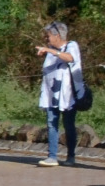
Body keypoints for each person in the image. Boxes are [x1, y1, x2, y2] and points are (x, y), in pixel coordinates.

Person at [36, 22, 84, 168]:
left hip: (67, 95)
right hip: (51, 94)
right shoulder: (50, 49)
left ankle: (71, 156)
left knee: (69, 125)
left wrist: (52, 52)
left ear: (57, 36)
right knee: (51, 123)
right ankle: (52, 156)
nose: (47, 39)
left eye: (49, 35)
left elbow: (70, 58)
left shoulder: (71, 46)